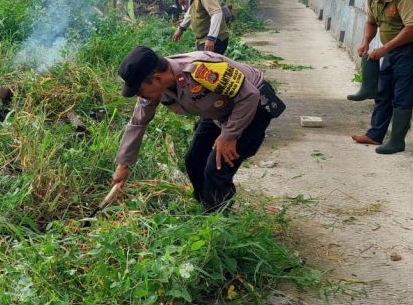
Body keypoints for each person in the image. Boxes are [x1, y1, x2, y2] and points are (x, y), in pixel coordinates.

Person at [111, 46, 285, 213]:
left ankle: (218, 223)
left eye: (140, 90)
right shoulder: (156, 89)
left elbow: (250, 95)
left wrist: (228, 136)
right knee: (194, 161)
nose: (139, 96)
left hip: (252, 107)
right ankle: (208, 208)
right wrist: (123, 165)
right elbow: (138, 122)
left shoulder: (200, 69)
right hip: (218, 112)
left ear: (157, 78)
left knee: (216, 168)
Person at [349, 0, 413, 154]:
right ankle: (375, 134)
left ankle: (397, 141)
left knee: (402, 95)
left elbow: (412, 29)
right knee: (383, 91)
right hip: (391, 51)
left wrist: (384, 49)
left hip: (410, 50)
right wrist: (366, 42)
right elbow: (371, 22)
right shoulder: (373, 0)